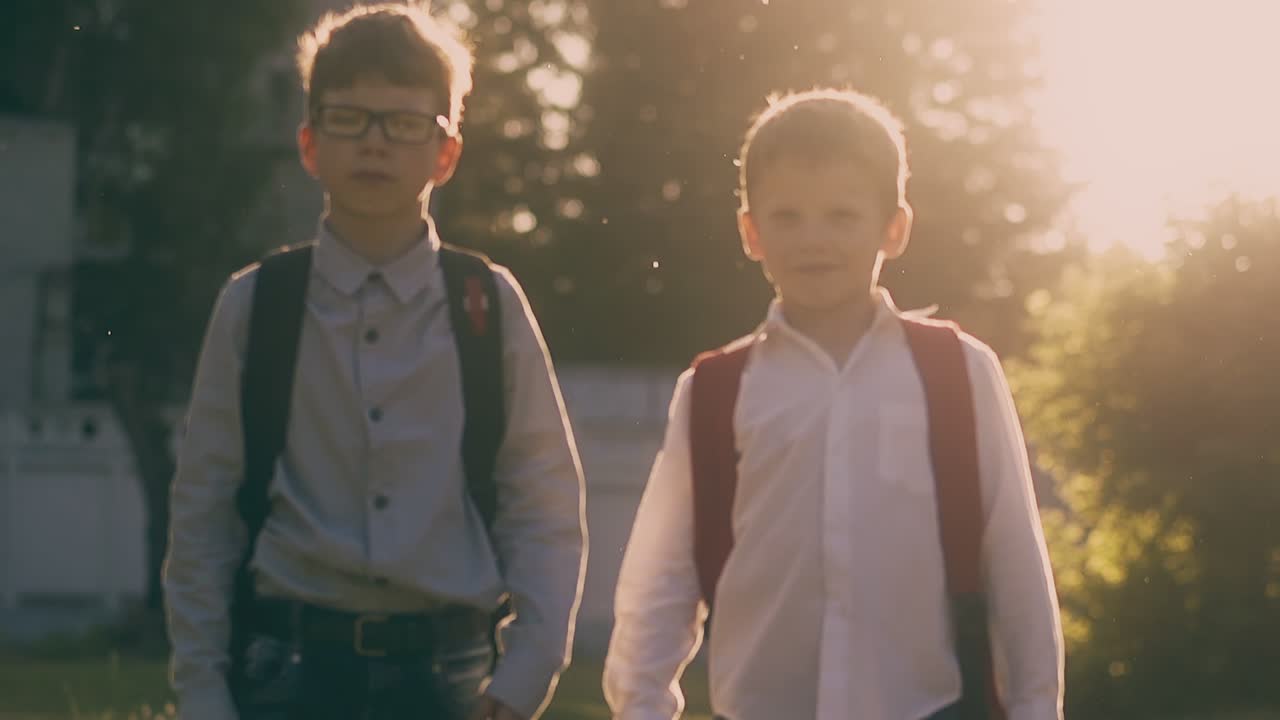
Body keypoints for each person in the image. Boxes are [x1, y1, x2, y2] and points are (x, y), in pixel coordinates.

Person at [163, 5, 586, 719]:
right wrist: (203, 690)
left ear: (446, 153)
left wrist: (527, 671)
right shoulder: (256, 304)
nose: (375, 143)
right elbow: (205, 508)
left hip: (450, 675)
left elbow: (542, 499)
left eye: (404, 123)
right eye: (349, 119)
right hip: (286, 671)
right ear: (309, 144)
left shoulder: (488, 304)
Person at [602, 88, 1063, 720]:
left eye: (842, 216)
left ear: (894, 228)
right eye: (787, 217)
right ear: (751, 232)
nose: (813, 239)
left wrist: (1036, 707)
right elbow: (663, 576)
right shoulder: (713, 391)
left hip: (926, 707)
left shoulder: (960, 371)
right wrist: (641, 705)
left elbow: (1014, 561)